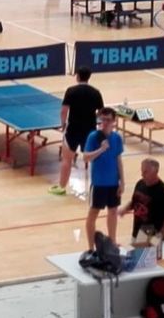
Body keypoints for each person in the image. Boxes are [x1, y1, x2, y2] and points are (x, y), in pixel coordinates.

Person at [53, 67, 104, 196]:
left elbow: (64, 111)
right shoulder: (96, 92)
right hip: (90, 131)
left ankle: (61, 187)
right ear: (89, 77)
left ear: (78, 76)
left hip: (73, 130)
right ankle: (99, 186)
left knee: (67, 159)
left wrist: (63, 124)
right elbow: (101, 113)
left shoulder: (71, 91)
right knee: (94, 159)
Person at [81, 108, 125, 248]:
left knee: (112, 212)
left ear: (114, 121)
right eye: (102, 119)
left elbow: (118, 159)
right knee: (93, 214)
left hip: (113, 183)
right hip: (99, 183)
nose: (105, 123)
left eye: (108, 120)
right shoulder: (94, 137)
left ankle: (112, 242)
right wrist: (100, 149)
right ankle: (90, 247)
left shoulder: (117, 138)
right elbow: (86, 157)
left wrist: (122, 181)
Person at [124, 159, 164, 244]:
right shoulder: (140, 183)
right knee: (136, 256)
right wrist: (124, 209)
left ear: (155, 172)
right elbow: (134, 202)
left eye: (145, 172)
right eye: (142, 171)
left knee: (147, 257)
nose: (142, 174)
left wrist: (160, 235)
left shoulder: (162, 190)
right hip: (137, 233)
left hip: (151, 236)